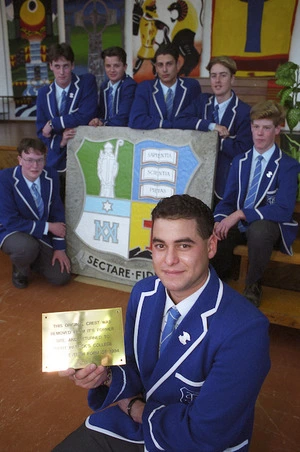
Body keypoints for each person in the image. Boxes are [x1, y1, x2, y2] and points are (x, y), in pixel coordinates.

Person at [54, 194, 270, 452]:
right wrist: (104, 376)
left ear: (211, 246)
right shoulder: (144, 293)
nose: (169, 260)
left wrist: (136, 409)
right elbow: (135, 368)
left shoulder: (246, 329)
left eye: (184, 246)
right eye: (160, 245)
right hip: (139, 428)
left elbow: (208, 434)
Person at [212, 100, 300, 307]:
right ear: (251, 127)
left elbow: (284, 210)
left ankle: (253, 285)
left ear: (277, 129)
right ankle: (217, 282)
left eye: (266, 128)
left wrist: (241, 213)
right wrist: (220, 219)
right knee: (217, 228)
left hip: (269, 224)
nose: (260, 133)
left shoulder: (287, 165)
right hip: (242, 223)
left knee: (259, 230)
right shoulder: (240, 161)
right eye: (256, 126)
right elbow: (228, 201)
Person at [174, 56, 253, 202]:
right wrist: (211, 126)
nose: (217, 81)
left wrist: (216, 141)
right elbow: (179, 120)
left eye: (223, 75)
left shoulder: (244, 111)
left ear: (232, 79)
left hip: (226, 181)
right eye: (213, 76)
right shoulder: (202, 101)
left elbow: (243, 150)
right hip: (198, 175)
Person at [0, 137, 71, 289]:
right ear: (19, 159)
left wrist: (59, 248)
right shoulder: (5, 179)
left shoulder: (50, 175)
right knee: (25, 247)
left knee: (61, 276)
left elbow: (57, 213)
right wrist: (47, 227)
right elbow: (10, 221)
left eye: (39, 160)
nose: (35, 166)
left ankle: (32, 260)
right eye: (29, 160)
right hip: (12, 231)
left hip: (39, 234)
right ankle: (21, 268)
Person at [36, 43, 98, 175]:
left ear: (72, 65)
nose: (61, 72)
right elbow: (41, 132)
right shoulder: (43, 93)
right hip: (55, 160)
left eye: (65, 66)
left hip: (85, 155)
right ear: (51, 66)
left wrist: (53, 123)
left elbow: (86, 115)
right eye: (57, 66)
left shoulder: (86, 83)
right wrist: (61, 141)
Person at [128, 43, 201, 129]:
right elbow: (136, 120)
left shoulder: (191, 86)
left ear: (177, 65)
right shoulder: (145, 88)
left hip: (184, 140)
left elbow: (198, 117)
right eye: (160, 65)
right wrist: (165, 124)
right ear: (156, 67)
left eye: (169, 64)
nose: (164, 70)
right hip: (153, 141)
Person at [89, 46, 137, 127]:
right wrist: (96, 121)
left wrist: (103, 123)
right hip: (106, 133)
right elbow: (101, 113)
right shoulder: (104, 86)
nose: (112, 70)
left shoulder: (130, 86)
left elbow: (123, 118)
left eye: (116, 66)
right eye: (108, 66)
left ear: (125, 67)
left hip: (125, 134)